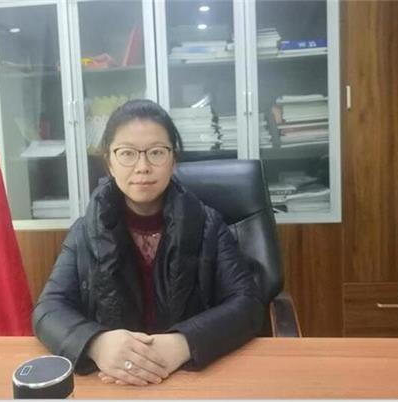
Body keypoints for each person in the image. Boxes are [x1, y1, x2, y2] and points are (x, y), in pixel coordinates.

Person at [33, 99, 264, 386]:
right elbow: (48, 309)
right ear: (109, 162)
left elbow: (248, 304)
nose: (142, 167)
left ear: (173, 159)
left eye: (156, 152)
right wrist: (97, 344)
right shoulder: (85, 230)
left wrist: (184, 342)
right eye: (127, 153)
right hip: (114, 381)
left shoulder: (208, 224)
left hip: (189, 378)